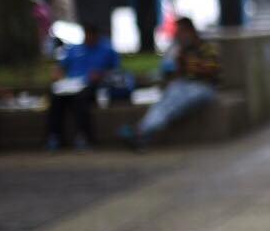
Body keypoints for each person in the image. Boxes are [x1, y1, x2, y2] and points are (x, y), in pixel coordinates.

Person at [118, 17, 220, 150]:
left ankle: (141, 133)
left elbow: (211, 71)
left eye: (181, 31)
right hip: (185, 84)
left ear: (190, 30)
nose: (179, 35)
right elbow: (175, 72)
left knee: (175, 104)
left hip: (204, 87)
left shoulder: (206, 47)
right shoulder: (182, 49)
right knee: (164, 101)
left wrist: (190, 64)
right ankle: (142, 131)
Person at [46, 22, 120, 151]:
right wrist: (57, 74)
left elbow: (116, 71)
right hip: (70, 84)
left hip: (91, 85)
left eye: (91, 35)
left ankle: (83, 136)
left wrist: (101, 74)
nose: (88, 38)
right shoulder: (74, 49)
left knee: (81, 100)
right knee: (55, 98)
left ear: (97, 36)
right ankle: (55, 136)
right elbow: (61, 66)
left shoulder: (107, 49)